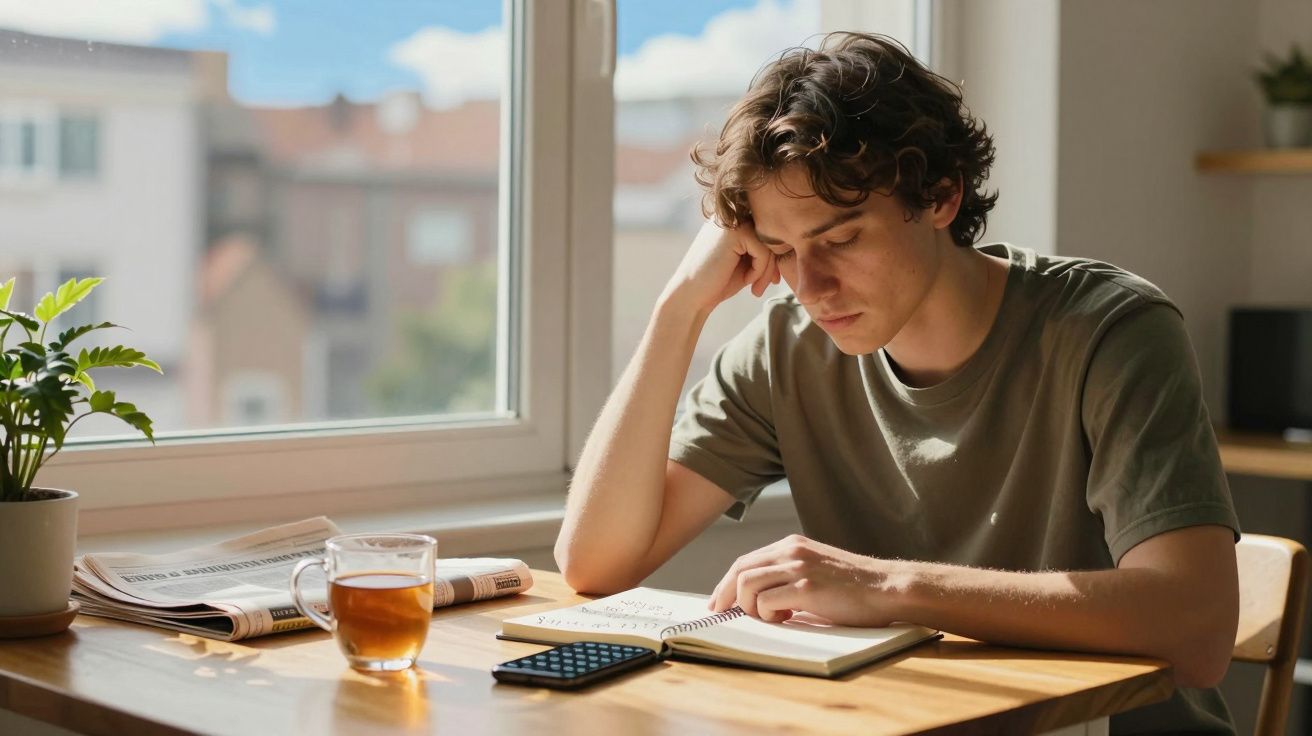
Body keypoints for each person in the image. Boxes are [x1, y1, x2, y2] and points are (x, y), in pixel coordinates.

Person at [555, 32, 1240, 734]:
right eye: (782, 250)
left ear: (941, 196)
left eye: (840, 239)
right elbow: (595, 563)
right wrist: (679, 309)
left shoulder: (1110, 332)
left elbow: (1199, 629)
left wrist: (887, 586)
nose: (811, 287)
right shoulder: (786, 350)